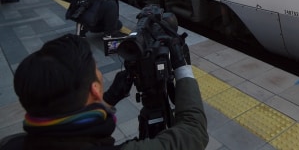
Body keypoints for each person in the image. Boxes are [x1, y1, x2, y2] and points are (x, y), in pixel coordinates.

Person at [0, 34, 208, 150]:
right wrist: (181, 65)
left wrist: (108, 99)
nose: (98, 72)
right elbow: (193, 131)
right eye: (96, 69)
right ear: (94, 88)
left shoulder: (11, 143)